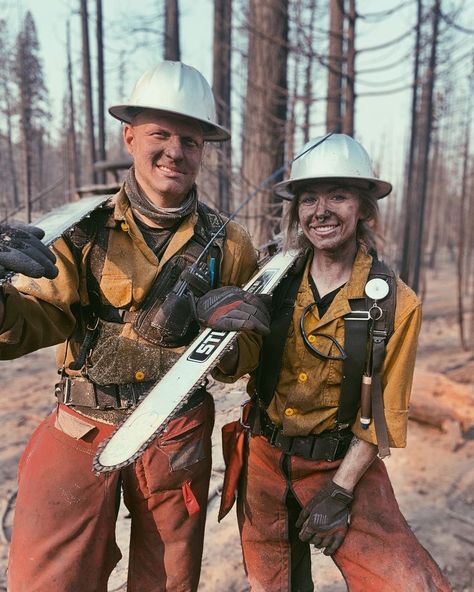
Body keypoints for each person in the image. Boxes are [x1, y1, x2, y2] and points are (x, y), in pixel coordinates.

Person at [0, 60, 270, 592]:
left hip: (176, 431)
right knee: (49, 577)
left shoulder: (229, 243)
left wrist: (231, 335)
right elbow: (31, 325)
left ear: (203, 150)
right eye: (160, 134)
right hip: (83, 421)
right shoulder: (81, 227)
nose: (175, 151)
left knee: (167, 580)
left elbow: (246, 360)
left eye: (190, 140)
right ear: (129, 136)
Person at [215, 134, 452, 591]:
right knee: (274, 584)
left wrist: (341, 491)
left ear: (363, 209)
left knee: (412, 584)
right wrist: (222, 322)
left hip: (341, 462)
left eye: (338, 196)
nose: (320, 211)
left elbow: (381, 413)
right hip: (263, 457)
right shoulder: (273, 279)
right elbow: (232, 367)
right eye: (308, 199)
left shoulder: (396, 304)